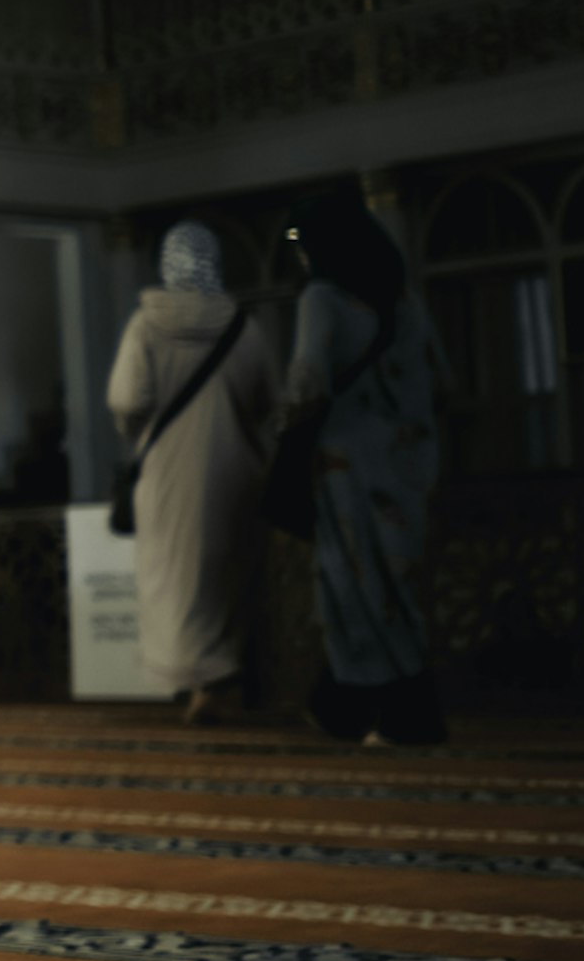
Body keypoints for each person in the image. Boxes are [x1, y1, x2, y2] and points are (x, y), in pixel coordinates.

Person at [284, 188, 447, 747]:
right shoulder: (407, 302)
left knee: (353, 586)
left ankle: (392, 711)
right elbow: (442, 380)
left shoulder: (321, 300)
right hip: (410, 464)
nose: (298, 253)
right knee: (397, 585)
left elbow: (306, 384)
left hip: (346, 466)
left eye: (299, 241)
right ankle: (360, 706)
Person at [104, 220, 281, 724]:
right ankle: (222, 680)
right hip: (234, 474)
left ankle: (191, 682)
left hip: (165, 475)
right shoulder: (242, 327)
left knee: (173, 581)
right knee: (226, 577)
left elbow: (126, 399)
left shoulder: (145, 325)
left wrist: (138, 427)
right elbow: (267, 400)